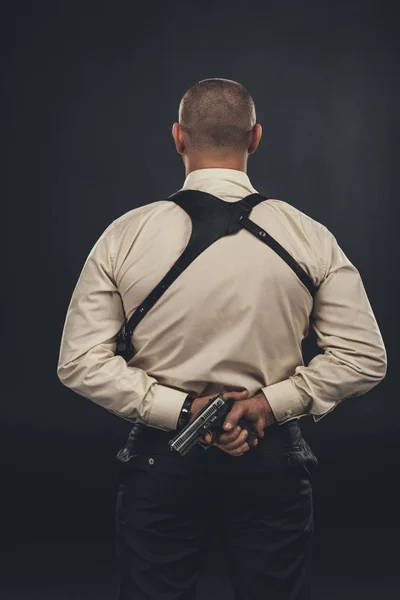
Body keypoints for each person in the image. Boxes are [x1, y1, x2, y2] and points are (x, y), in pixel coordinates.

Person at [57, 78, 387, 600]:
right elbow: (364, 357)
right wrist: (267, 405)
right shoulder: (309, 235)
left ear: (178, 138)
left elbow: (78, 361)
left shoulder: (126, 235)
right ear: (255, 138)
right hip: (272, 461)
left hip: (160, 463)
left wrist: (183, 411)